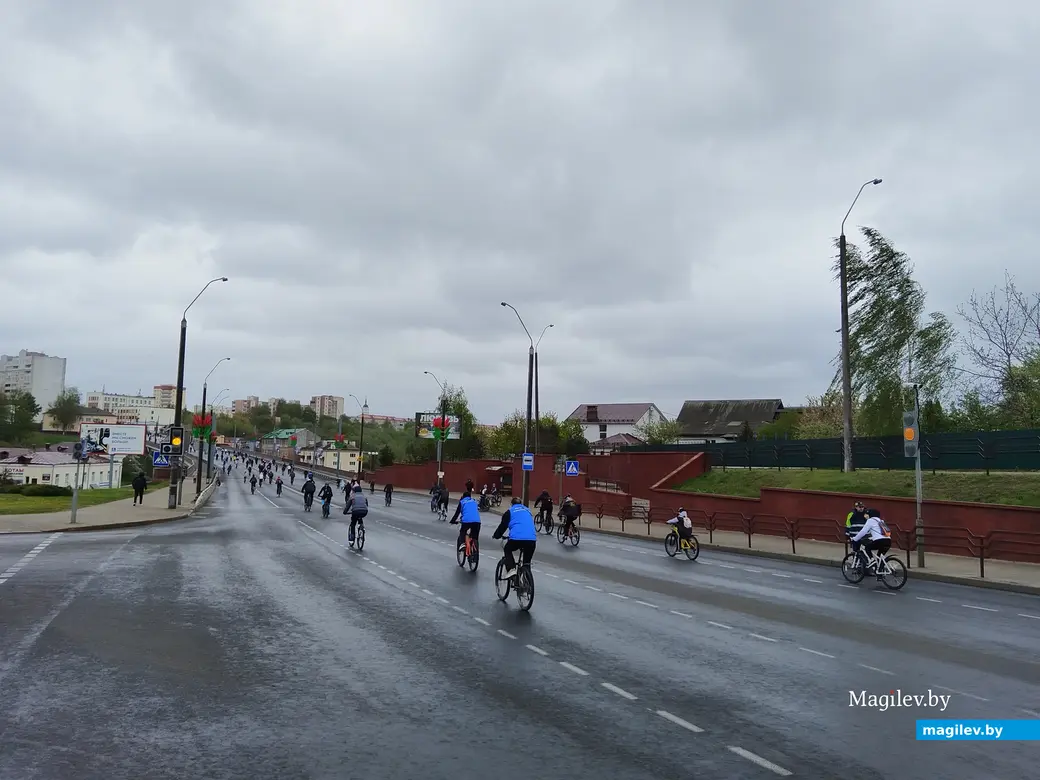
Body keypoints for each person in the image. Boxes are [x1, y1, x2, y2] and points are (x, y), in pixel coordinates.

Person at [492, 497, 538, 580]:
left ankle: (511, 569)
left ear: (512, 504)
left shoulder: (510, 511)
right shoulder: (528, 511)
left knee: (507, 549)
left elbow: (502, 526)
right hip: (532, 539)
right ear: (521, 504)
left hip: (517, 539)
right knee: (526, 563)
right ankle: (527, 584)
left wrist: (496, 535)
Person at [850, 508, 892, 579]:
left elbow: (863, 532)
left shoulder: (871, 521)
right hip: (888, 541)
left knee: (867, 548)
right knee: (880, 556)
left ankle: (872, 560)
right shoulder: (881, 521)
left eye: (868, 514)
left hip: (879, 541)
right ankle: (879, 574)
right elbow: (878, 533)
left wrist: (855, 539)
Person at [450, 488, 481, 554]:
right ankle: (475, 549)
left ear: (463, 497)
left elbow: (457, 513)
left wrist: (452, 521)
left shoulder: (462, 502)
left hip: (466, 521)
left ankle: (462, 544)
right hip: (477, 521)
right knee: (475, 536)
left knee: (463, 531)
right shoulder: (474, 501)